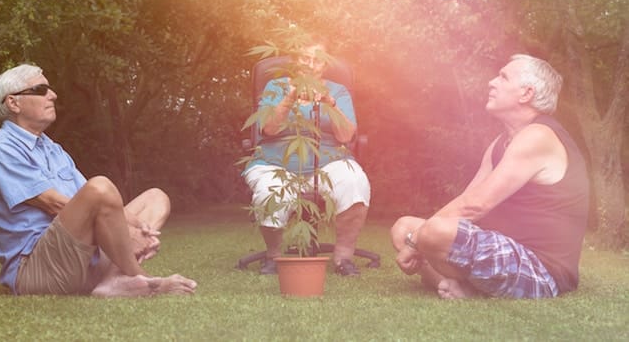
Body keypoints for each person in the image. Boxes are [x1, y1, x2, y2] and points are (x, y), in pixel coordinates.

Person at [0, 63, 197, 297]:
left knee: (156, 198)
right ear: (13, 103)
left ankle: (113, 282)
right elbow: (54, 203)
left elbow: (95, 203)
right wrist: (126, 234)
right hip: (38, 272)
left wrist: (137, 228)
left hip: (80, 257)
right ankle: (139, 279)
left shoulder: (53, 149)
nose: (53, 95)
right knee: (100, 187)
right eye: (41, 89)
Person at [391, 54, 589, 299]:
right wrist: (420, 236)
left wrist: (419, 241)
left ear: (526, 94)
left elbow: (476, 206)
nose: (492, 82)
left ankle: (451, 282)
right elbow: (469, 197)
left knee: (432, 233)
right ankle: (454, 284)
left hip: (539, 270)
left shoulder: (539, 136)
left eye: (503, 77)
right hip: (501, 249)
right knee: (404, 227)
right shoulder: (501, 142)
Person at [243, 42, 371, 276]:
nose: (311, 65)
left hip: (329, 161)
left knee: (355, 182)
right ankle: (274, 256)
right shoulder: (275, 86)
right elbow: (268, 128)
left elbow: (345, 136)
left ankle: (343, 258)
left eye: (317, 60)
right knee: (269, 190)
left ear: (324, 64)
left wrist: (329, 103)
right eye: (304, 58)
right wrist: (290, 98)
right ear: (294, 61)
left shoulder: (338, 91)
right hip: (275, 163)